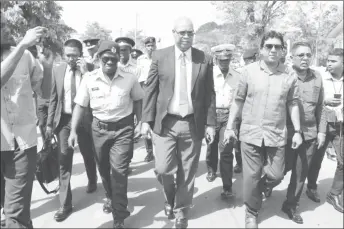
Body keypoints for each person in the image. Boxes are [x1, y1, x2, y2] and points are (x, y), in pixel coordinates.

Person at [140, 17, 216, 229]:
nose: (186, 36)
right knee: (163, 169)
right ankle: (169, 196)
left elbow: (210, 93)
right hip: (166, 123)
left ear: (194, 34)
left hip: (192, 123)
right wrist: (146, 120)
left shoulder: (204, 58)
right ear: (173, 33)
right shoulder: (160, 56)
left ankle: (182, 210)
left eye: (190, 33)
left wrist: (211, 124)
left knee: (188, 170)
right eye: (181, 32)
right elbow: (150, 90)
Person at [223, 30, 302, 228]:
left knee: (276, 174)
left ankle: (260, 190)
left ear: (283, 50)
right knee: (250, 177)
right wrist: (230, 127)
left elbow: (292, 103)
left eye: (277, 46)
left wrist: (298, 131)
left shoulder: (289, 75)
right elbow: (238, 101)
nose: (273, 50)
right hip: (250, 134)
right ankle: (251, 212)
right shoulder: (248, 72)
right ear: (261, 49)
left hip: (276, 134)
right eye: (269, 46)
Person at [68, 40, 144, 228]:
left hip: (123, 130)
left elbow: (138, 100)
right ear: (99, 59)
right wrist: (72, 131)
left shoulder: (130, 77)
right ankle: (110, 197)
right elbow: (80, 105)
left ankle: (119, 215)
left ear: (119, 57)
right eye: (106, 58)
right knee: (103, 168)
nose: (110, 62)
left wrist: (140, 123)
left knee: (119, 171)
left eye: (114, 58)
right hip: (99, 130)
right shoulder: (89, 78)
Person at [1, 14, 50, 227]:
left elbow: (45, 91)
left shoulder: (25, 56)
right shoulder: (21, 50)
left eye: (3, 24)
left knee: (16, 214)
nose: (5, 28)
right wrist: (23, 44)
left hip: (21, 146)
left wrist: (47, 66)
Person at [45, 38, 98, 222]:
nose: (71, 59)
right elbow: (53, 98)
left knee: (88, 154)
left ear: (81, 55)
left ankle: (92, 178)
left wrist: (85, 73)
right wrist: (49, 123)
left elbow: (95, 95)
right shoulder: (58, 69)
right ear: (63, 53)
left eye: (74, 55)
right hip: (64, 121)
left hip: (84, 119)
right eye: (68, 55)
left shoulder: (91, 69)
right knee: (64, 159)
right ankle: (65, 204)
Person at [281, 41, 326, 224]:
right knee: (278, 171)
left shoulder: (317, 77)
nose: (306, 58)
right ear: (292, 57)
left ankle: (291, 205)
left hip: (310, 133)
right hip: (287, 133)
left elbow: (321, 107)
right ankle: (263, 187)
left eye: (308, 55)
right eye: (301, 55)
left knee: (300, 173)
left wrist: (322, 131)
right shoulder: (284, 75)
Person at [306, 48, 343, 213]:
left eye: (333, 61)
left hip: (341, 126)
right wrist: (325, 101)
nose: (328, 63)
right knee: (316, 158)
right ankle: (311, 187)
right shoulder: (320, 77)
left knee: (343, 162)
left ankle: (334, 194)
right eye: (328, 60)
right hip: (323, 123)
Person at [205, 44, 241, 199]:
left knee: (226, 150)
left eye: (227, 60)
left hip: (229, 116)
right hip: (212, 114)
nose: (224, 63)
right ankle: (211, 169)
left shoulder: (238, 76)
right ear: (216, 59)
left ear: (231, 59)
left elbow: (239, 100)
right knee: (211, 145)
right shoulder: (209, 75)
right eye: (221, 60)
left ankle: (227, 187)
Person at [136, 36, 157, 163]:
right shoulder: (140, 60)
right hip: (144, 90)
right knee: (146, 120)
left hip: (158, 90)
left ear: (155, 46)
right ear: (145, 47)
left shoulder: (159, 57)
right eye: (148, 46)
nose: (150, 48)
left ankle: (160, 149)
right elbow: (138, 78)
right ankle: (149, 152)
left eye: (152, 46)